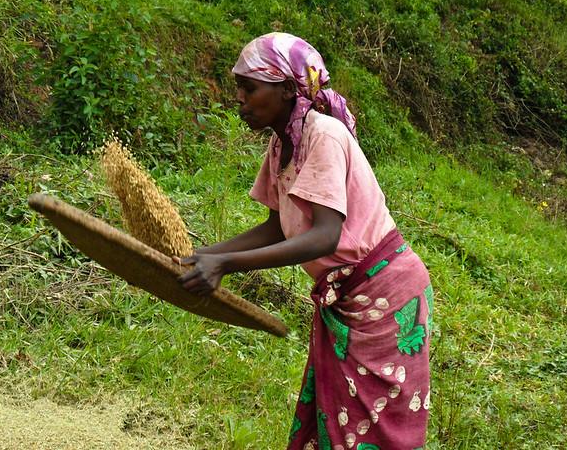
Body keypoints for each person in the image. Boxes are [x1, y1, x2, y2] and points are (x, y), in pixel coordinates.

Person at [179, 32, 433, 450]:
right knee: (340, 424)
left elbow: (324, 236)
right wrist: (200, 255)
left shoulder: (325, 135)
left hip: (386, 297)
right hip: (348, 298)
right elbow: (277, 227)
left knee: (380, 430)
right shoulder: (284, 144)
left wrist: (224, 266)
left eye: (250, 88)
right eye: (238, 88)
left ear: (284, 89)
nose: (240, 99)